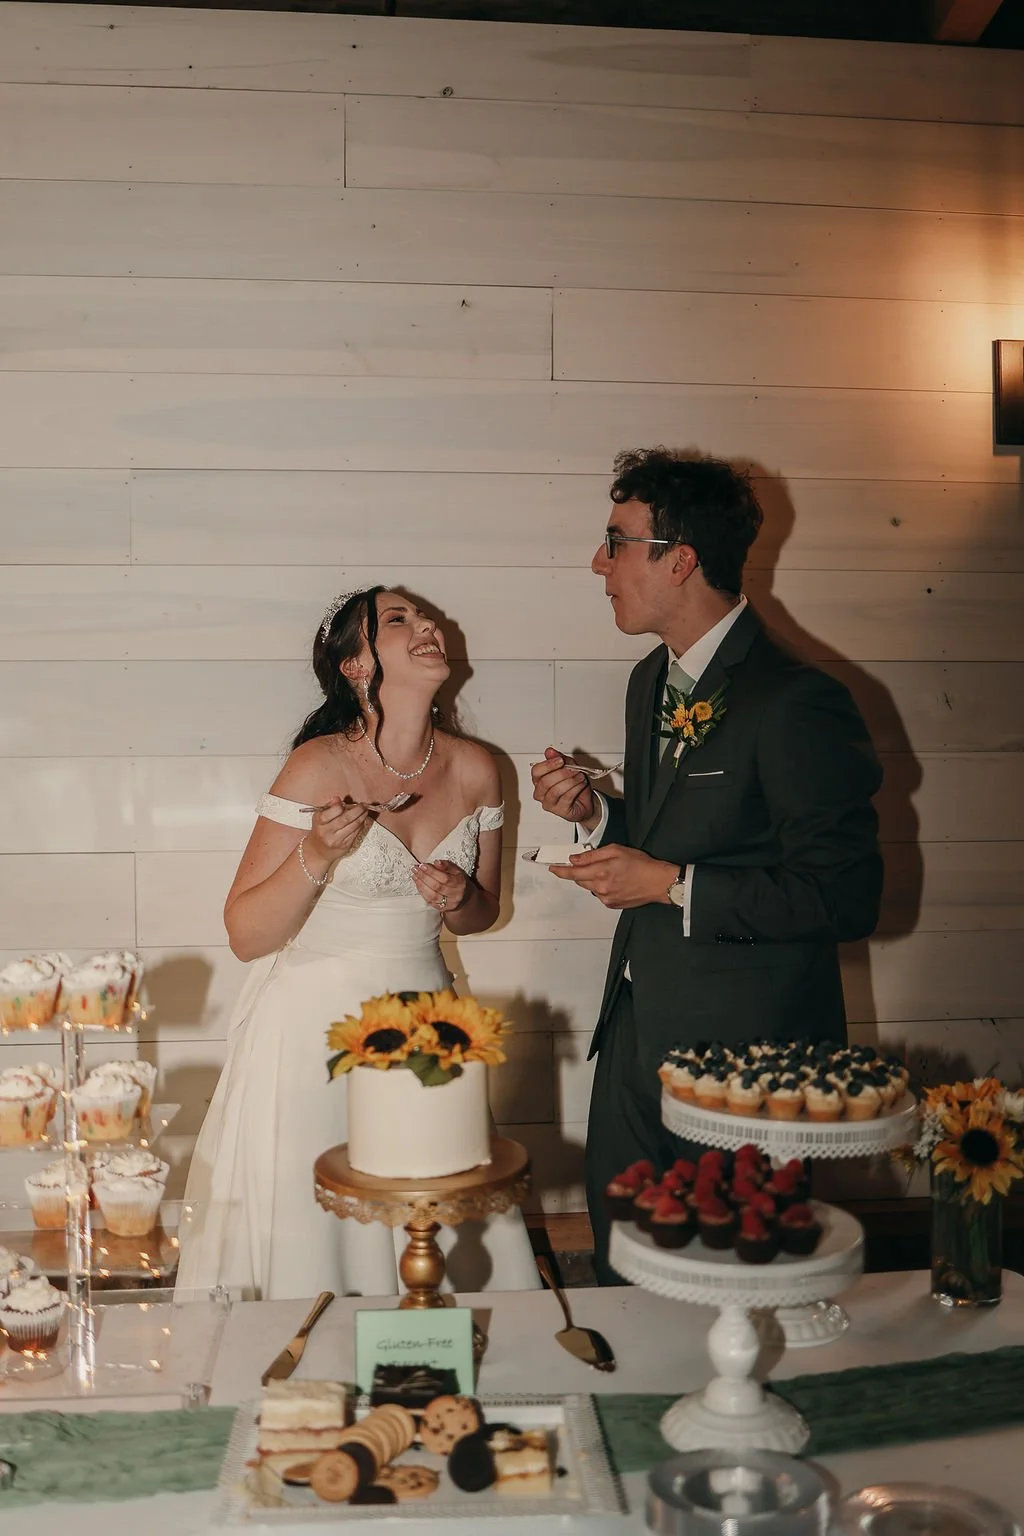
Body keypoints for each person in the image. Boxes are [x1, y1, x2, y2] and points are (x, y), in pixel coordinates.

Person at [531, 449, 883, 1282]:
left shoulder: (800, 700)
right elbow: (683, 831)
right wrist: (597, 816)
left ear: (679, 558)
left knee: (729, 1279)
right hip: (633, 1033)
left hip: (748, 1066)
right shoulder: (650, 678)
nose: (598, 561)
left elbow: (847, 895)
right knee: (624, 1263)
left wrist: (672, 887)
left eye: (615, 541)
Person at [176, 587, 539, 1301]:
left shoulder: (476, 768)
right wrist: (315, 852)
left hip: (428, 1025)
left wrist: (460, 896)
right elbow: (246, 934)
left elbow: (481, 915)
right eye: (397, 620)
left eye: (425, 615)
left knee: (430, 1205)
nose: (427, 624)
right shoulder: (317, 766)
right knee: (318, 1234)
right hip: (312, 1032)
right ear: (354, 664)